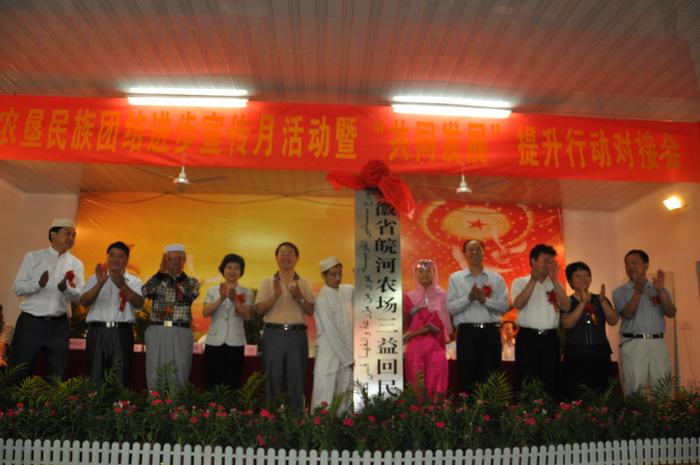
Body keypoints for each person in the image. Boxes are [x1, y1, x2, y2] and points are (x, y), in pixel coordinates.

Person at [11, 218, 84, 379]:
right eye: (67, 233)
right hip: (31, 322)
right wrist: (38, 284)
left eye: (74, 235)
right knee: (20, 369)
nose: (71, 238)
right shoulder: (33, 257)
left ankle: (52, 397)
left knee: (57, 373)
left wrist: (66, 290)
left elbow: (80, 297)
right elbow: (17, 288)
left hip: (59, 325)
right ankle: (14, 397)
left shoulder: (76, 264)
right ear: (53, 234)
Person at [255, 242, 315, 413]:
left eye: (290, 253)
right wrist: (275, 295)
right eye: (282, 253)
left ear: (297, 258)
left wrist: (299, 296)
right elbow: (259, 310)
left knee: (297, 378)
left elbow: (310, 310)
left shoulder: (304, 282)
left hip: (297, 335)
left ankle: (296, 420)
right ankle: (271, 420)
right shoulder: (267, 281)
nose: (286, 257)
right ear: (276, 258)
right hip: (273, 333)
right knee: (272, 378)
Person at [446, 240, 508, 392]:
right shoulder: (455, 278)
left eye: (478, 249)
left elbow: (503, 307)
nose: (475, 252)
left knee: (491, 377)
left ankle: (491, 408)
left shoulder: (496, 278)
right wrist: (469, 298)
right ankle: (469, 407)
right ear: (464, 254)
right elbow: (451, 307)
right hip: (466, 333)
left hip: (490, 332)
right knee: (467, 376)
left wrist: (484, 300)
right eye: (470, 249)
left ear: (483, 252)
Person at [79, 241, 144, 386]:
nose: (115, 260)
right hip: (97, 331)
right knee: (94, 377)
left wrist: (122, 285)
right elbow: (84, 301)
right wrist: (99, 284)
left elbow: (139, 303)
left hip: (122, 332)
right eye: (112, 255)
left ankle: (120, 401)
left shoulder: (134, 281)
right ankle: (93, 400)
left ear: (127, 260)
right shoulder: (95, 278)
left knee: (120, 378)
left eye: (120, 256)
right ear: (107, 257)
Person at [613, 249, 677, 394]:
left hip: (658, 343)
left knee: (663, 389)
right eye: (627, 264)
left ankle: (663, 411)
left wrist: (660, 291)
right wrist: (638, 291)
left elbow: (671, 312)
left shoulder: (658, 289)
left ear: (646, 265)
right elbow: (628, 314)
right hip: (633, 344)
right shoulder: (620, 292)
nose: (630, 267)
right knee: (634, 389)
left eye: (635, 263)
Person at [511, 244, 570, 396]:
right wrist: (533, 280)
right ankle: (526, 410)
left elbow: (566, 306)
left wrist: (555, 280)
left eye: (551, 261)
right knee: (526, 379)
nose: (549, 264)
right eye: (545, 260)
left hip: (550, 338)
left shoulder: (556, 284)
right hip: (527, 338)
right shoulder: (520, 282)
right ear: (533, 261)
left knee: (551, 379)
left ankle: (550, 409)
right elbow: (518, 304)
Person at [141, 244, 200, 390]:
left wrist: (176, 277)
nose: (174, 262)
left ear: (184, 260)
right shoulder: (157, 280)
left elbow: (191, 294)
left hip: (180, 330)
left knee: (179, 374)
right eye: (170, 259)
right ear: (165, 261)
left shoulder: (191, 281)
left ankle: (177, 404)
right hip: (157, 329)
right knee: (155, 374)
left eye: (178, 259)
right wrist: (160, 273)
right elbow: (145, 291)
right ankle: (155, 404)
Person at [560, 261, 618, 399]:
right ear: (570, 281)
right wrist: (582, 303)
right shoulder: (567, 302)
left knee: (602, 395)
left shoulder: (600, 299)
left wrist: (603, 302)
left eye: (586, 275)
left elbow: (613, 320)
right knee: (575, 395)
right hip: (575, 355)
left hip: (600, 354)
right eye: (578, 276)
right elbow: (567, 324)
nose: (583, 279)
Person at [202, 253, 253, 390]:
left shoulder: (247, 292)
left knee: (232, 381)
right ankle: (211, 405)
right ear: (223, 269)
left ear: (241, 271)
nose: (232, 271)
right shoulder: (213, 290)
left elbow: (248, 316)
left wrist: (234, 299)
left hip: (235, 342)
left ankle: (230, 405)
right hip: (214, 341)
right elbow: (205, 313)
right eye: (229, 267)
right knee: (211, 381)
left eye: (236, 268)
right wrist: (221, 298)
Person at [403, 259, 452, 398]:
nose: (424, 274)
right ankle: (416, 412)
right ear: (415, 273)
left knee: (436, 382)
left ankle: (436, 412)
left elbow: (445, 324)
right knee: (416, 384)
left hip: (436, 345)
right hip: (415, 347)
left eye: (428, 271)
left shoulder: (442, 295)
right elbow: (405, 324)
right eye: (420, 271)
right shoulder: (408, 297)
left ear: (434, 273)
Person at [311, 256, 354, 413]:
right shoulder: (321, 299)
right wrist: (349, 359)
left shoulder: (347, 290)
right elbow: (331, 332)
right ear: (323, 275)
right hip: (329, 353)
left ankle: (344, 427)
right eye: (333, 274)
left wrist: (361, 275)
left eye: (339, 273)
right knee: (324, 396)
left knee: (345, 398)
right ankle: (321, 428)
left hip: (348, 352)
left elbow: (366, 297)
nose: (337, 278)